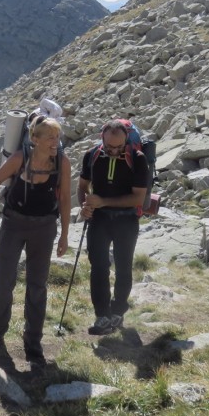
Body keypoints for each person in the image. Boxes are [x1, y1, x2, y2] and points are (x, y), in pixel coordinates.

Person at [0, 115, 71, 368]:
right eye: (50, 137)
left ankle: (33, 343)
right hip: (13, 223)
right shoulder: (20, 158)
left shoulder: (62, 163)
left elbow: (64, 200)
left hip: (44, 227)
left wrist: (64, 234)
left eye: (57, 137)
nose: (55, 141)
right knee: (3, 280)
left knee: (37, 285)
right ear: (35, 138)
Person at [78, 119, 149, 336]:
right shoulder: (92, 156)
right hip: (99, 219)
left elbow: (138, 199)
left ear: (126, 140)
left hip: (126, 220)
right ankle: (102, 315)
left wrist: (102, 202)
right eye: (110, 147)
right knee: (98, 266)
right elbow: (82, 186)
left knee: (123, 266)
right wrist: (84, 206)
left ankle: (118, 310)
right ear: (102, 139)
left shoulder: (137, 159)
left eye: (119, 147)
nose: (115, 151)